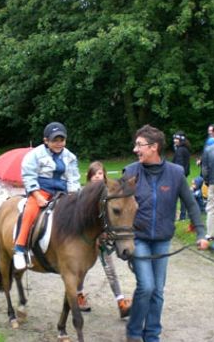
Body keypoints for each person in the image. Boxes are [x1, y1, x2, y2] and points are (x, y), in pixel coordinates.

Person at [123, 124, 209, 342]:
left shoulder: (175, 173)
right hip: (138, 238)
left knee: (158, 290)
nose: (135, 149)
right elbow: (117, 208)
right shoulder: (130, 172)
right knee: (147, 286)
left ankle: (152, 336)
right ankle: (133, 332)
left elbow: (191, 204)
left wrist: (201, 233)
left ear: (154, 147)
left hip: (162, 240)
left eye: (139, 145)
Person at [14, 122, 81, 270]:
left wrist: (73, 195)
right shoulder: (34, 155)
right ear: (46, 140)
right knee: (30, 212)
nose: (59, 143)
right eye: (54, 140)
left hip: (63, 193)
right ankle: (19, 248)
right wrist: (37, 196)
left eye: (61, 140)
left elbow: (73, 178)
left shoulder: (70, 157)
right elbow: (29, 176)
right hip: (41, 191)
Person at [76, 161, 132, 318]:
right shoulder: (83, 194)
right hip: (88, 241)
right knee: (82, 269)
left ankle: (120, 302)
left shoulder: (109, 194)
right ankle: (79, 295)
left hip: (104, 240)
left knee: (110, 269)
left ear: (104, 176)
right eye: (94, 174)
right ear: (89, 177)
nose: (97, 177)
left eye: (100, 174)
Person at [172, 131, 191, 220]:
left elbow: (179, 164)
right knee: (182, 196)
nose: (174, 140)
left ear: (181, 140)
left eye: (176, 139)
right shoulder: (184, 149)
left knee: (176, 196)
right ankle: (182, 215)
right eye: (174, 138)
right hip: (183, 175)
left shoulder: (180, 150)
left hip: (179, 176)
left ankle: (180, 215)